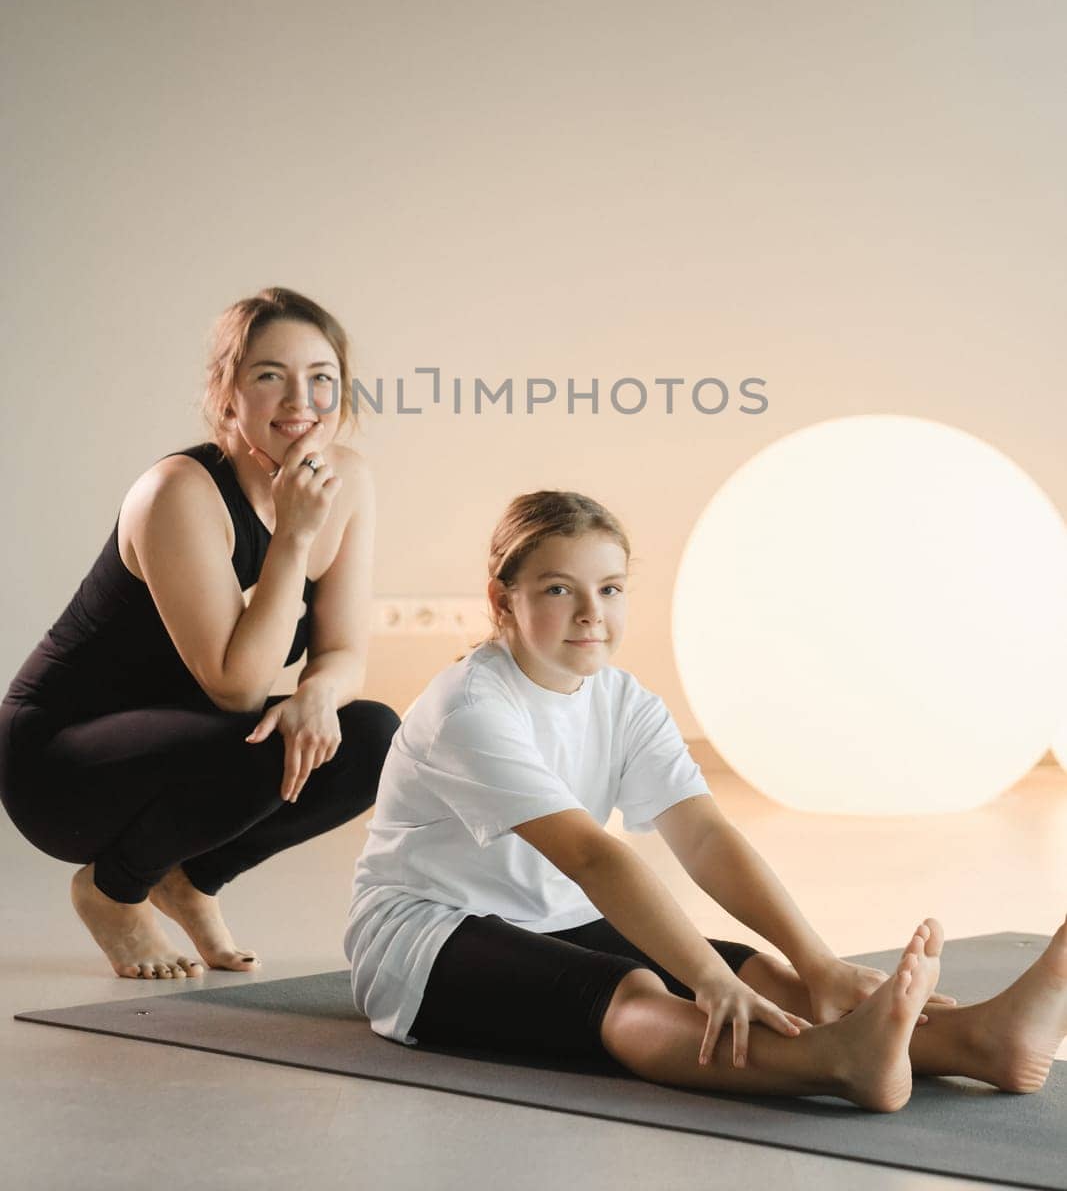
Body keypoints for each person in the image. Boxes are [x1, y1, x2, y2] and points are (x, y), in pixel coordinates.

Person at [345, 488, 1067, 1111]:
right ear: (504, 600)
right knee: (630, 988)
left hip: (555, 916)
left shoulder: (622, 700)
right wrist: (706, 981)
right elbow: (593, 855)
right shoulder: (470, 707)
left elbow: (704, 837)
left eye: (611, 588)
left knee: (764, 974)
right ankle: (832, 1064)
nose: (591, 612)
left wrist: (816, 965)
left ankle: (980, 1041)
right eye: (559, 589)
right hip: (425, 937)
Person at [0, 286, 400, 981]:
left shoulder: (350, 482)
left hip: (189, 748)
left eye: (321, 380)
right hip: (63, 762)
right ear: (227, 396)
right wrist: (293, 536)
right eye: (269, 376)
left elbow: (342, 652)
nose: (299, 401)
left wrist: (318, 696)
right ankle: (113, 891)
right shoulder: (178, 493)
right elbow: (237, 686)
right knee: (253, 734)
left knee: (370, 737)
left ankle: (188, 880)